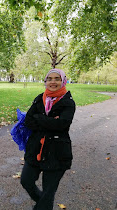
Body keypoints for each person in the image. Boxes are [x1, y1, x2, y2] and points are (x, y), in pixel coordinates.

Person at [20, 69, 76, 210]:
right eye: (49, 78)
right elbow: (28, 121)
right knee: (26, 181)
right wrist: (49, 121)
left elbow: (62, 124)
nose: (52, 82)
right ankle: (42, 204)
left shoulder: (68, 102)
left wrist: (39, 118)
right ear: (45, 81)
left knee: (48, 192)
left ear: (63, 81)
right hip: (36, 148)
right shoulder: (40, 98)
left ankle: (43, 205)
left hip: (56, 152)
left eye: (56, 78)